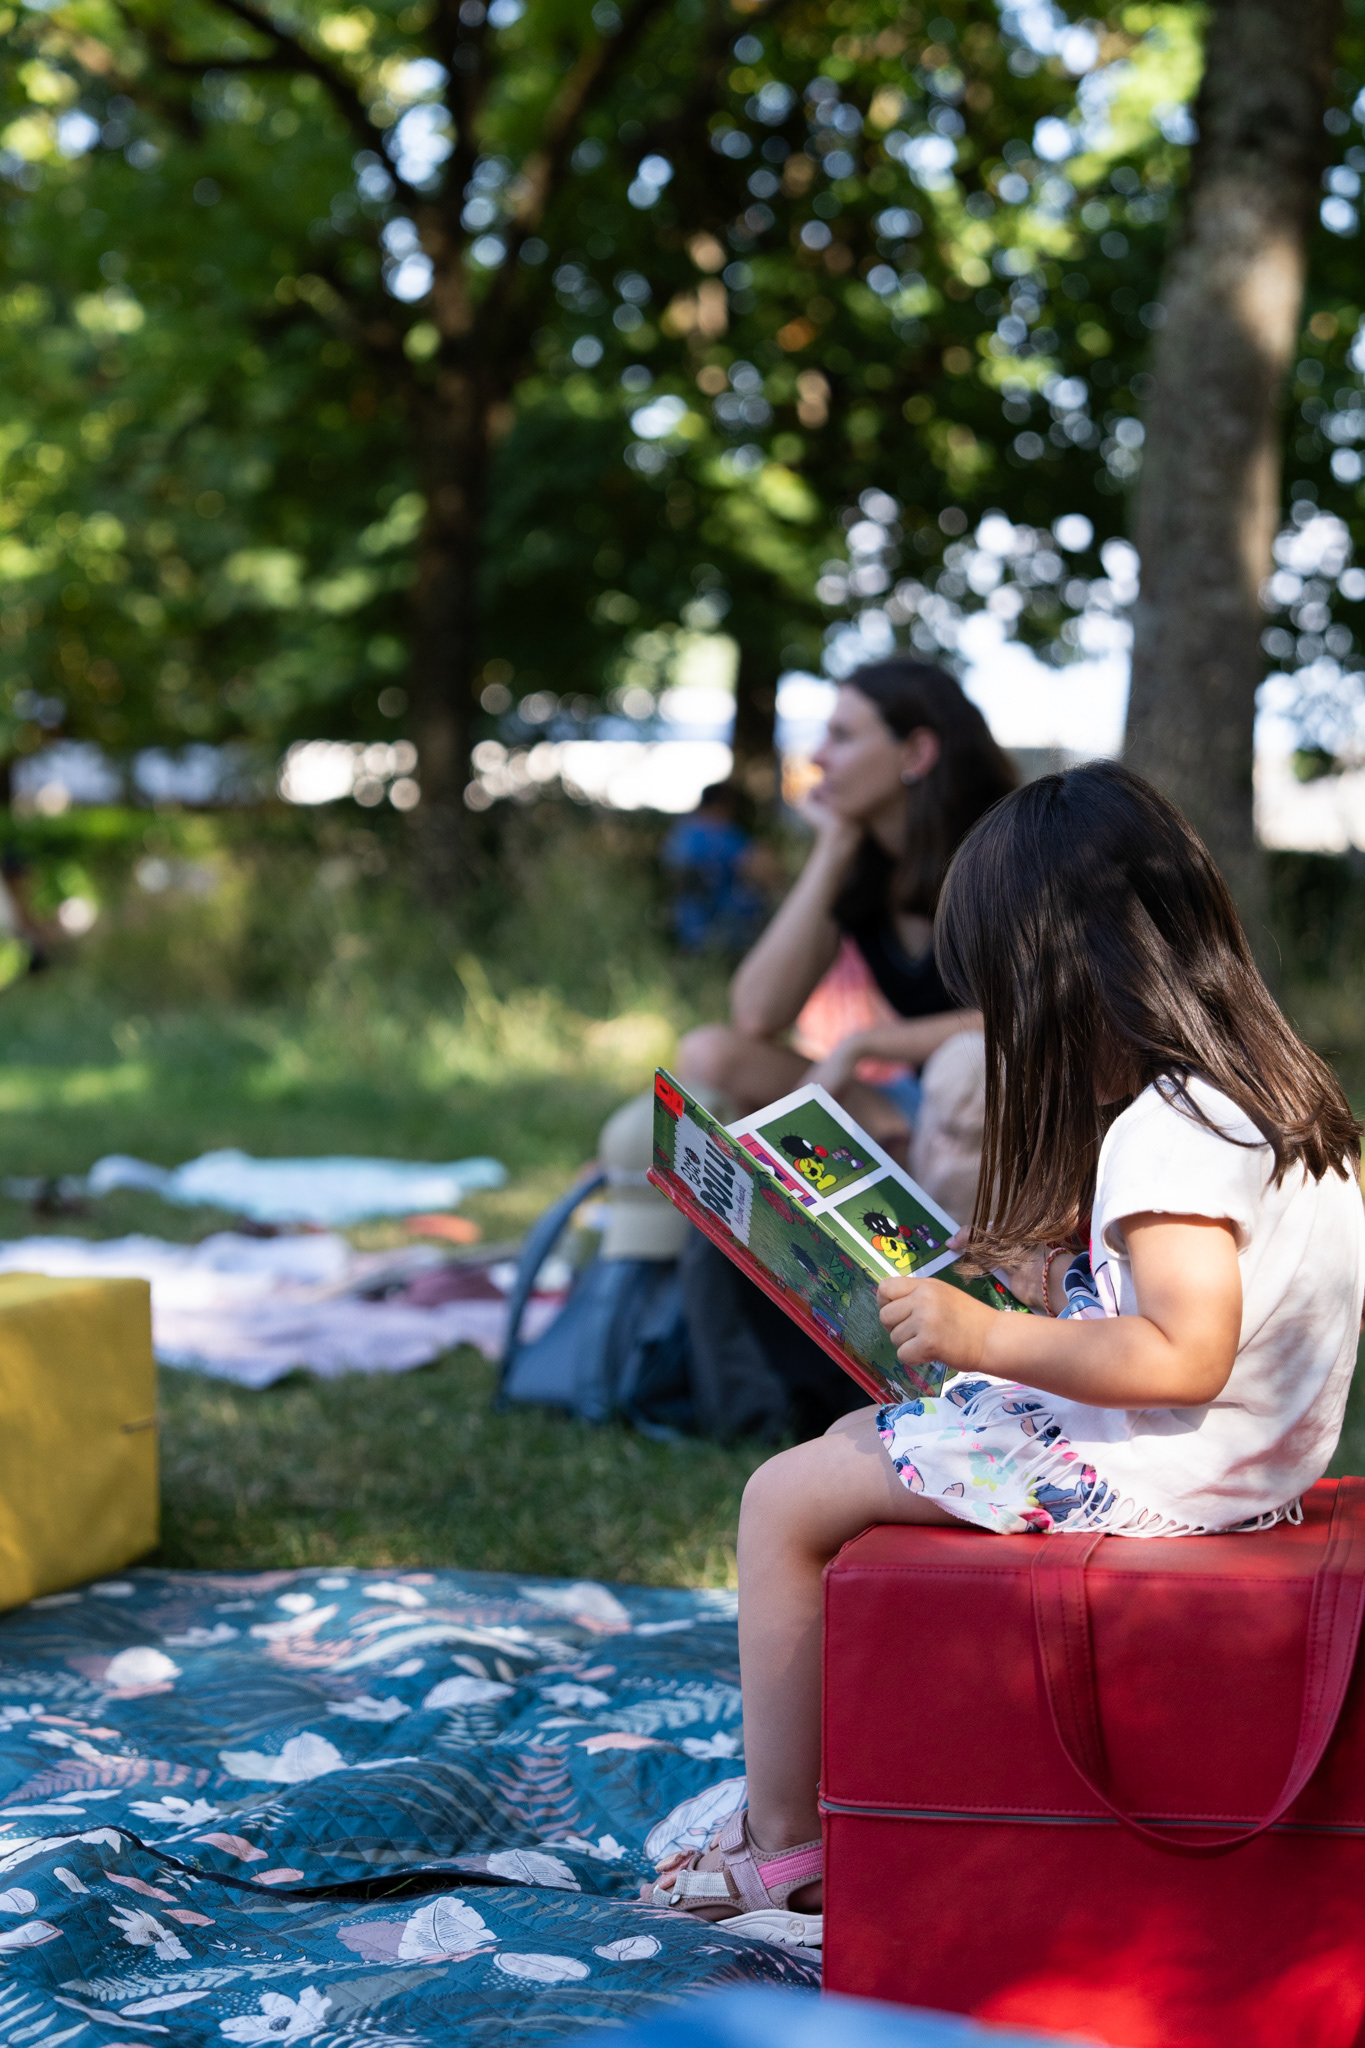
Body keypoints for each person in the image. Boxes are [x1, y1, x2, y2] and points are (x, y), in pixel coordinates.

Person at [642, 761, 1365, 1937]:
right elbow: (1250, 1308)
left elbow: (1186, 1352)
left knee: (781, 1496)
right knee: (843, 1443)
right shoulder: (1267, 1096)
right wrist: (1057, 1287)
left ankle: (785, 1845)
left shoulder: (1165, 1133)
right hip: (1232, 1459)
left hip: (1162, 1476)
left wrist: (990, 1333)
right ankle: (844, 1766)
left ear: (1061, 983)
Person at [678, 658, 1017, 1183]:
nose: (817, 757)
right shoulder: (865, 864)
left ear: (917, 752)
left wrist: (864, 1045)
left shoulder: (1005, 856)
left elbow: (1026, 1019)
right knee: (709, 1056)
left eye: (841, 737)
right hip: (921, 1100)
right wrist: (833, 848)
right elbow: (755, 1015)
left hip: (1012, 1121)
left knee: (968, 1064)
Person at [660, 783, 769, 954]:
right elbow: (762, 870)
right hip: (723, 929)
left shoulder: (682, 832)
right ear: (722, 805)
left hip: (685, 926)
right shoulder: (722, 834)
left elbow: (670, 870)